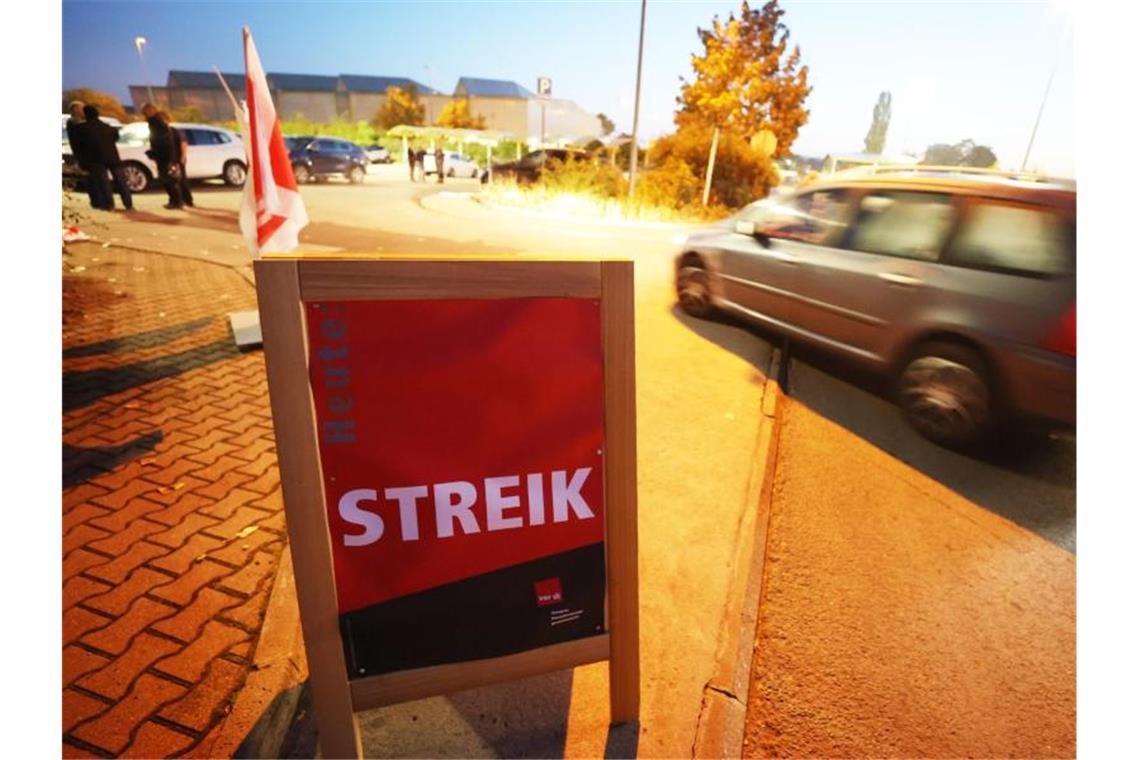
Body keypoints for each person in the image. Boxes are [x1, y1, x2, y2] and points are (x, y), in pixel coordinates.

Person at [83, 104, 133, 211]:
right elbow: (115, 138)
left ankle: (110, 205)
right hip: (113, 157)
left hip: (96, 159)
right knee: (121, 181)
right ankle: (128, 204)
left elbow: (83, 145)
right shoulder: (108, 127)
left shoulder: (84, 129)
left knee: (104, 183)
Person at [143, 104, 184, 209]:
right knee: (167, 180)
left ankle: (177, 202)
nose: (144, 115)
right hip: (164, 156)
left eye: (145, 112)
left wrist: (158, 154)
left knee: (169, 180)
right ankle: (174, 201)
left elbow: (165, 142)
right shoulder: (155, 123)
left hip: (165, 157)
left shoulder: (157, 123)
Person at [66, 101, 102, 209]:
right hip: (83, 155)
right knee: (90, 179)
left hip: (91, 154)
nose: (82, 110)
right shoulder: (73, 122)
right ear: (74, 110)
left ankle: (99, 200)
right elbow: (77, 139)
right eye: (80, 108)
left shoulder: (85, 120)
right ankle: (96, 202)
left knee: (96, 178)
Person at [168, 118, 195, 207]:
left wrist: (182, 157)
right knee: (174, 180)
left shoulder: (174, 131)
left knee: (180, 180)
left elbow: (183, 143)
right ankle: (181, 200)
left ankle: (187, 200)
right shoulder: (166, 132)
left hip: (177, 160)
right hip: (173, 160)